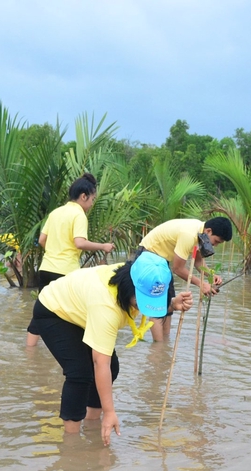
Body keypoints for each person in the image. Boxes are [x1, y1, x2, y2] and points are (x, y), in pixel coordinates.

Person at [26, 251, 193, 445]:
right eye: (141, 302)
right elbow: (99, 362)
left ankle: (92, 424)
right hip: (55, 311)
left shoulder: (140, 274)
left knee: (112, 368)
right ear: (129, 288)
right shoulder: (106, 303)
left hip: (83, 311)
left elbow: (106, 366)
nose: (144, 308)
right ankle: (71, 442)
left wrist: (172, 304)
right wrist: (110, 411)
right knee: (80, 373)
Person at [26, 172, 114, 346]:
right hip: (65, 272)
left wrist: (54, 252)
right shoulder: (79, 215)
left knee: (41, 310)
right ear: (83, 196)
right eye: (92, 199)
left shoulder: (56, 213)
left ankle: (30, 352)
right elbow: (79, 243)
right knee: (71, 314)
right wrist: (103, 246)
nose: (91, 204)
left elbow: (42, 240)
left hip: (46, 268)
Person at [138, 216, 233, 341]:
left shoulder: (201, 234)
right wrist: (201, 284)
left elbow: (198, 261)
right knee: (158, 305)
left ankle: (165, 343)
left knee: (168, 302)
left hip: (162, 260)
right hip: (149, 256)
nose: (215, 245)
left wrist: (211, 275)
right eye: (217, 241)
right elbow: (177, 269)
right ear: (209, 231)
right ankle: (158, 348)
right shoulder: (189, 234)